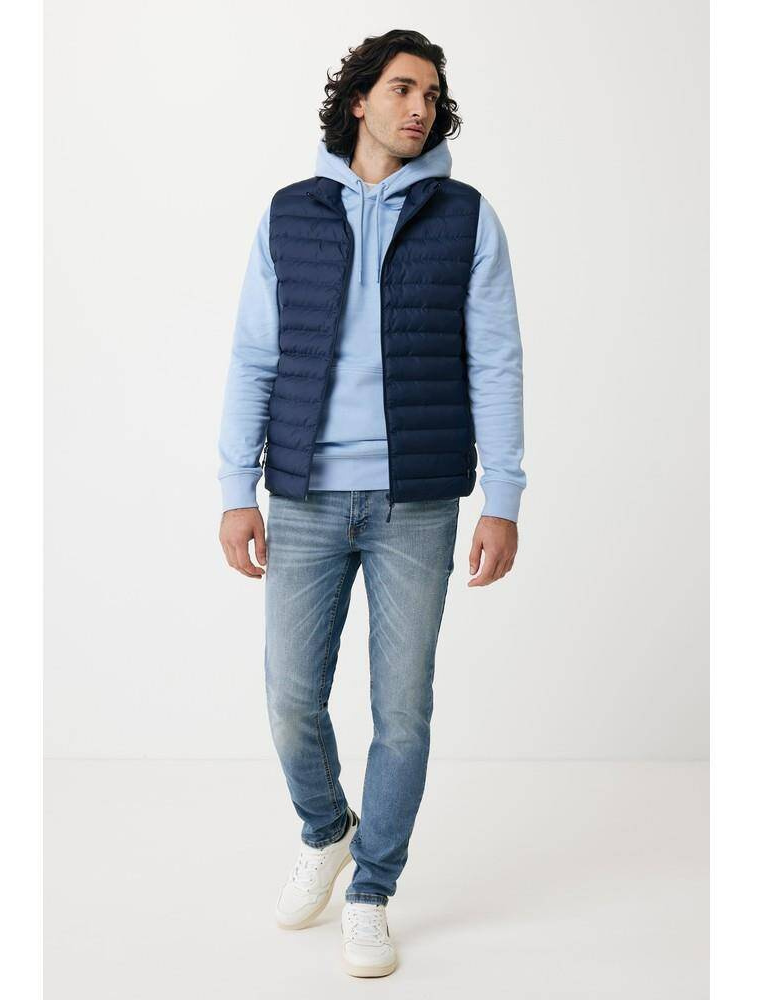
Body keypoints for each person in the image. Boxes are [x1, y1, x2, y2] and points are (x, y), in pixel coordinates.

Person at [217, 29, 526, 978]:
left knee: (403, 712)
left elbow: (497, 360)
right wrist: (235, 488)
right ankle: (328, 829)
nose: (419, 107)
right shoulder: (291, 214)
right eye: (401, 89)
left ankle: (372, 890)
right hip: (304, 493)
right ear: (359, 99)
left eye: (431, 94)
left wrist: (504, 496)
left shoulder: (465, 218)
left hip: (416, 502)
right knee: (289, 697)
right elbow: (254, 354)